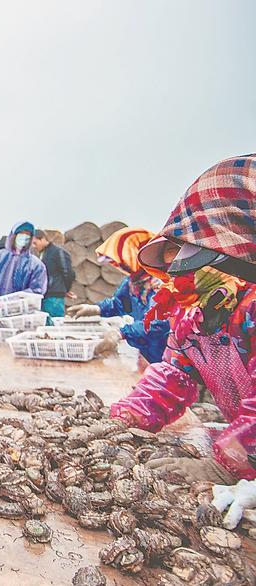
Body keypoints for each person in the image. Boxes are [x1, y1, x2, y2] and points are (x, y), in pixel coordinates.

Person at [110, 155, 255, 496]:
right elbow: (173, 375)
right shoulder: (195, 317)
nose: (178, 276)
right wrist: (130, 416)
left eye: (191, 254)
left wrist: (224, 465)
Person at [67, 227, 171, 364]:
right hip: (147, 352)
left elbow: (158, 323)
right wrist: (96, 309)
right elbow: (120, 304)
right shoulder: (133, 282)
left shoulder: (162, 284)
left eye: (124, 260)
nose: (120, 266)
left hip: (167, 353)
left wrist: (121, 333)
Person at [0, 222, 48, 296]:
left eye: (28, 235)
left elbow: (37, 290)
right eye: (21, 233)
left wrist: (16, 298)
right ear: (13, 236)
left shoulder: (36, 265)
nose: (24, 237)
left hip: (20, 303)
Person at [30, 230, 74, 318]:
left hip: (54, 296)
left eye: (35, 243)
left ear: (43, 239)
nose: (34, 246)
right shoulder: (43, 254)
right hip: (45, 295)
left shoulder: (58, 252)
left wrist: (66, 289)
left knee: (55, 322)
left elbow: (68, 272)